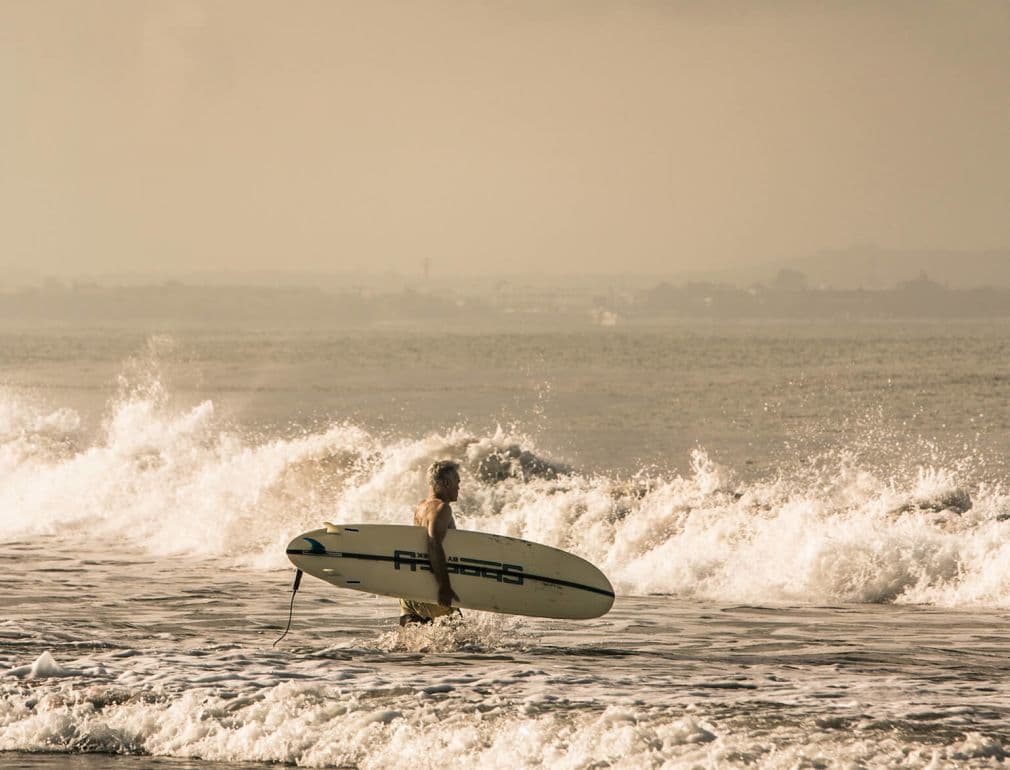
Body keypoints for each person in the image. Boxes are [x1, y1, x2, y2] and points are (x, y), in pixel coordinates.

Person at [399, 460, 462, 626]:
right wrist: (444, 586)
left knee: (411, 641)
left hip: (410, 593)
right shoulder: (442, 508)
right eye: (457, 482)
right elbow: (433, 544)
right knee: (464, 639)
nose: (459, 487)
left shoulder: (421, 506)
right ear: (446, 483)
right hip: (432, 590)